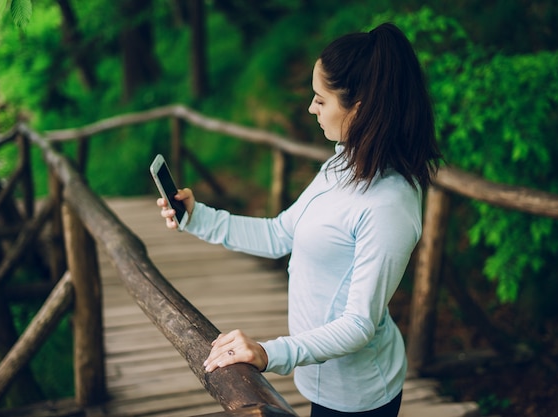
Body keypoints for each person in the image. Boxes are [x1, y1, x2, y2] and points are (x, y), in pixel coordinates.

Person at [157, 22, 442, 417]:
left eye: (321, 100)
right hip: (320, 379)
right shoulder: (344, 162)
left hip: (358, 397)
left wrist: (266, 352)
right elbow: (280, 234)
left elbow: (360, 323)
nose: (311, 108)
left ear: (358, 110)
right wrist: (197, 217)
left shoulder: (389, 205)